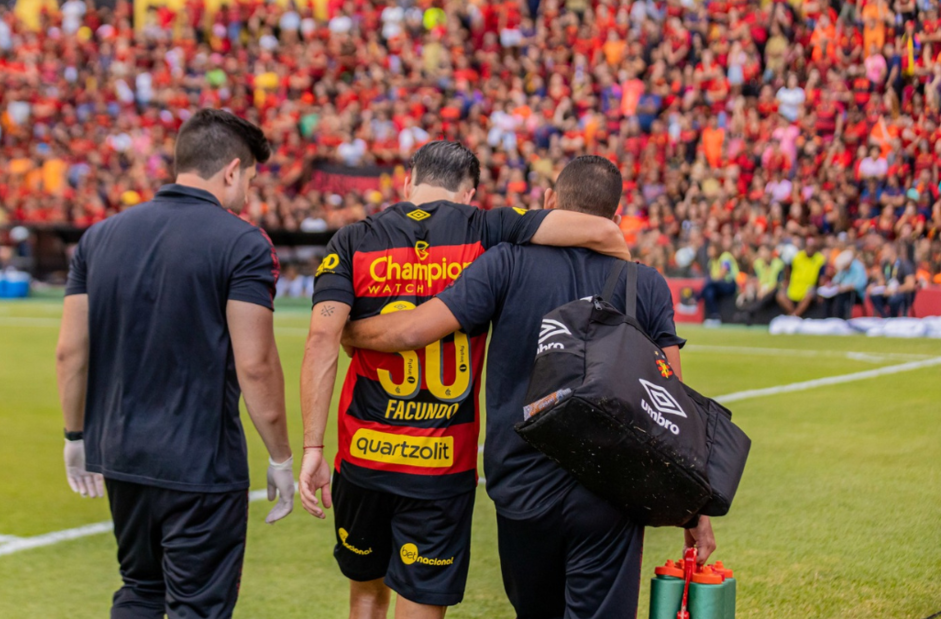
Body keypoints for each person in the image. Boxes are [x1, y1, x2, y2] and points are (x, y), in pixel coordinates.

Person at [341, 156, 716, 619]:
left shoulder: (505, 262)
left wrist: (349, 332)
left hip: (521, 487)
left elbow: (413, 330)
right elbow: (672, 405)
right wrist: (692, 508)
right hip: (610, 493)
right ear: (615, 220)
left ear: (548, 204)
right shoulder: (647, 284)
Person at [298, 142, 630, 619]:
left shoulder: (354, 239)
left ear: (408, 181)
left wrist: (313, 448)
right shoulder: (487, 227)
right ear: (470, 193)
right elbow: (603, 231)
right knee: (422, 603)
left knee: (366, 597)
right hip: (441, 463)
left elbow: (320, 341)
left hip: (363, 454)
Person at [55, 109, 295, 619]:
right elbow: (256, 365)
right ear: (232, 171)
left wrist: (75, 437)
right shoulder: (242, 242)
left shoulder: (99, 237)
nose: (248, 193)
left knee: (139, 590)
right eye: (249, 178)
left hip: (121, 453)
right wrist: (280, 456)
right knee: (198, 607)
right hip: (199, 462)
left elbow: (70, 352)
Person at [735, 245, 784, 323]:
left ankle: (748, 311)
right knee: (750, 288)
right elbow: (756, 279)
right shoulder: (758, 263)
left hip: (773, 289)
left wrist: (765, 291)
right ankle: (746, 310)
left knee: (772, 292)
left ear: (769, 252)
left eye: (763, 251)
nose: (760, 253)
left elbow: (777, 283)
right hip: (761, 288)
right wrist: (760, 290)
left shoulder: (778, 263)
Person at [777, 238, 826, 317]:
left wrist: (821, 292)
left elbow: (822, 278)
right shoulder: (797, 256)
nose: (809, 250)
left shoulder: (820, 259)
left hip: (809, 287)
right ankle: (794, 314)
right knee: (780, 295)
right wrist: (787, 282)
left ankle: (795, 315)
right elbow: (788, 271)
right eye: (808, 247)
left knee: (809, 294)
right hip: (795, 286)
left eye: (812, 247)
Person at [869, 243, 917, 317]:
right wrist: (874, 286)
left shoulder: (904, 264)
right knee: (874, 296)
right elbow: (882, 281)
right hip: (888, 291)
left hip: (901, 293)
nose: (882, 252)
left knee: (894, 299)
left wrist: (895, 290)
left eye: (884, 250)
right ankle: (885, 317)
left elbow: (911, 285)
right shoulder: (885, 264)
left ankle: (893, 317)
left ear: (892, 251)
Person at [700, 239, 739, 325]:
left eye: (710, 248)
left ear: (716, 248)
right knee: (709, 292)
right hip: (718, 286)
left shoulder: (725, 256)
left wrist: (711, 281)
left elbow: (722, 274)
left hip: (730, 284)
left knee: (709, 283)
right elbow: (711, 277)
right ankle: (715, 316)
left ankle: (696, 297)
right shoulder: (711, 261)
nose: (708, 251)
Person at [825, 250, 868, 319]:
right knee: (828, 297)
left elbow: (861, 284)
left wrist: (846, 287)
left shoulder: (858, 267)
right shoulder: (844, 269)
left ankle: (839, 319)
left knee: (841, 296)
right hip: (842, 291)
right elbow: (837, 278)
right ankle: (828, 318)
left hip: (856, 294)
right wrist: (831, 284)